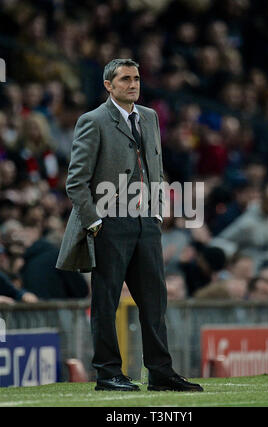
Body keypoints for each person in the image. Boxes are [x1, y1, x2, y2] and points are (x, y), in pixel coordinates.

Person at [56, 58, 203, 392]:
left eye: (136, 78)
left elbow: (157, 167)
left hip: (145, 222)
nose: (133, 84)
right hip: (108, 222)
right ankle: (108, 373)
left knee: (154, 301)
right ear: (108, 85)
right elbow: (76, 181)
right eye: (125, 79)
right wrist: (94, 222)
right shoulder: (92, 121)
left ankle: (161, 373)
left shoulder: (149, 117)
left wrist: (157, 211)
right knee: (106, 302)